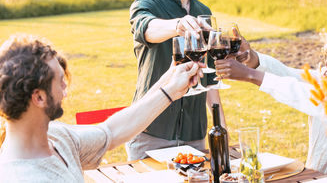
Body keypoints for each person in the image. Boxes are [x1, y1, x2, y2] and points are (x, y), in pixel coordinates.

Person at [0, 34, 201, 182]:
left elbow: (111, 132)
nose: (65, 90)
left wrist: (170, 83)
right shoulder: (20, 177)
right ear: (39, 97)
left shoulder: (55, 137)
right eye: (60, 82)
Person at [215, 29, 327, 176]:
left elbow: (299, 92)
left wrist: (250, 74)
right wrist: (253, 59)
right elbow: (288, 74)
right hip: (314, 176)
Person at [128, 0, 225, 160]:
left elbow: (210, 80)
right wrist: (178, 25)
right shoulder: (146, 3)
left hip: (195, 135)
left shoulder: (204, 13)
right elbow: (147, 29)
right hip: (150, 130)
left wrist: (221, 128)